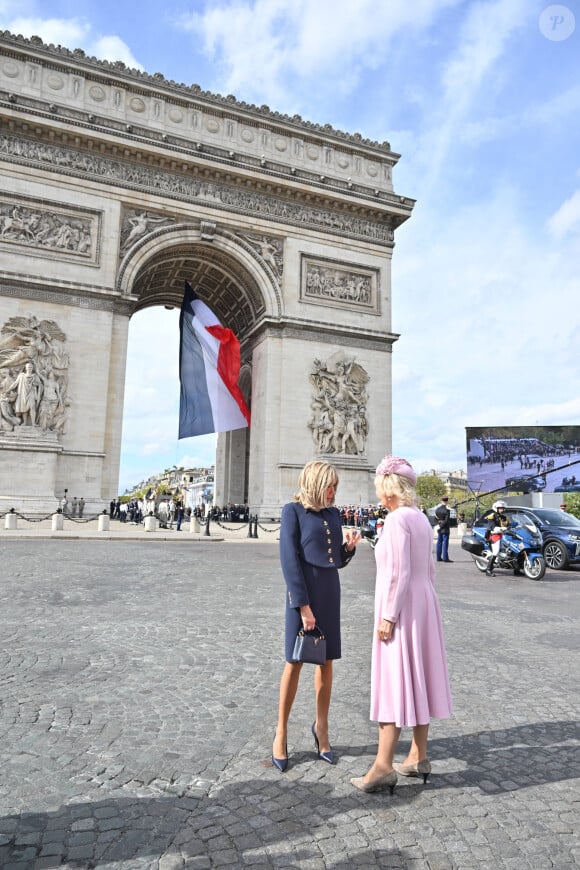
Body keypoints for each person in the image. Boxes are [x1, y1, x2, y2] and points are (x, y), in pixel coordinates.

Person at [351, 455, 452, 794]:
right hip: (424, 602)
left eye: (380, 488)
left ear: (389, 489)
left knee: (393, 680)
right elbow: (428, 569)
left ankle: (382, 766)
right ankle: (418, 755)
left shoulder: (395, 521)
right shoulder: (421, 518)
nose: (378, 495)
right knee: (419, 677)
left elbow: (397, 573)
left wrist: (388, 616)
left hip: (403, 607)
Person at [272, 460, 361, 772]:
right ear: (314, 483)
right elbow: (289, 560)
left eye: (335, 487)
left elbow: (334, 559)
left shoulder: (333, 514)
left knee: (326, 662)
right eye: (329, 486)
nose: (333, 492)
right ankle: (281, 732)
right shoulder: (292, 511)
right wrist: (303, 607)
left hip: (329, 593)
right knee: (294, 662)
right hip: (302, 597)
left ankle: (321, 727)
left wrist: (347, 549)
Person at [484, 499, 511, 576]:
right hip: (494, 536)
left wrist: (519, 525)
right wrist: (501, 529)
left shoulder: (504, 517)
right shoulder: (492, 516)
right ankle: (488, 570)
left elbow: (509, 524)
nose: (502, 510)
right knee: (495, 552)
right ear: (496, 508)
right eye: (500, 508)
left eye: (502, 508)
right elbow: (491, 527)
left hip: (503, 535)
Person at [434, 496, 453, 562]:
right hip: (445, 528)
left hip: (439, 527)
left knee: (439, 542)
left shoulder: (437, 509)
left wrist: (439, 525)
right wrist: (442, 525)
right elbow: (447, 520)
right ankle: (445, 558)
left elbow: (435, 518)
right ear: (447, 501)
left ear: (441, 501)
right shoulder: (447, 510)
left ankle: (438, 558)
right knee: (445, 543)